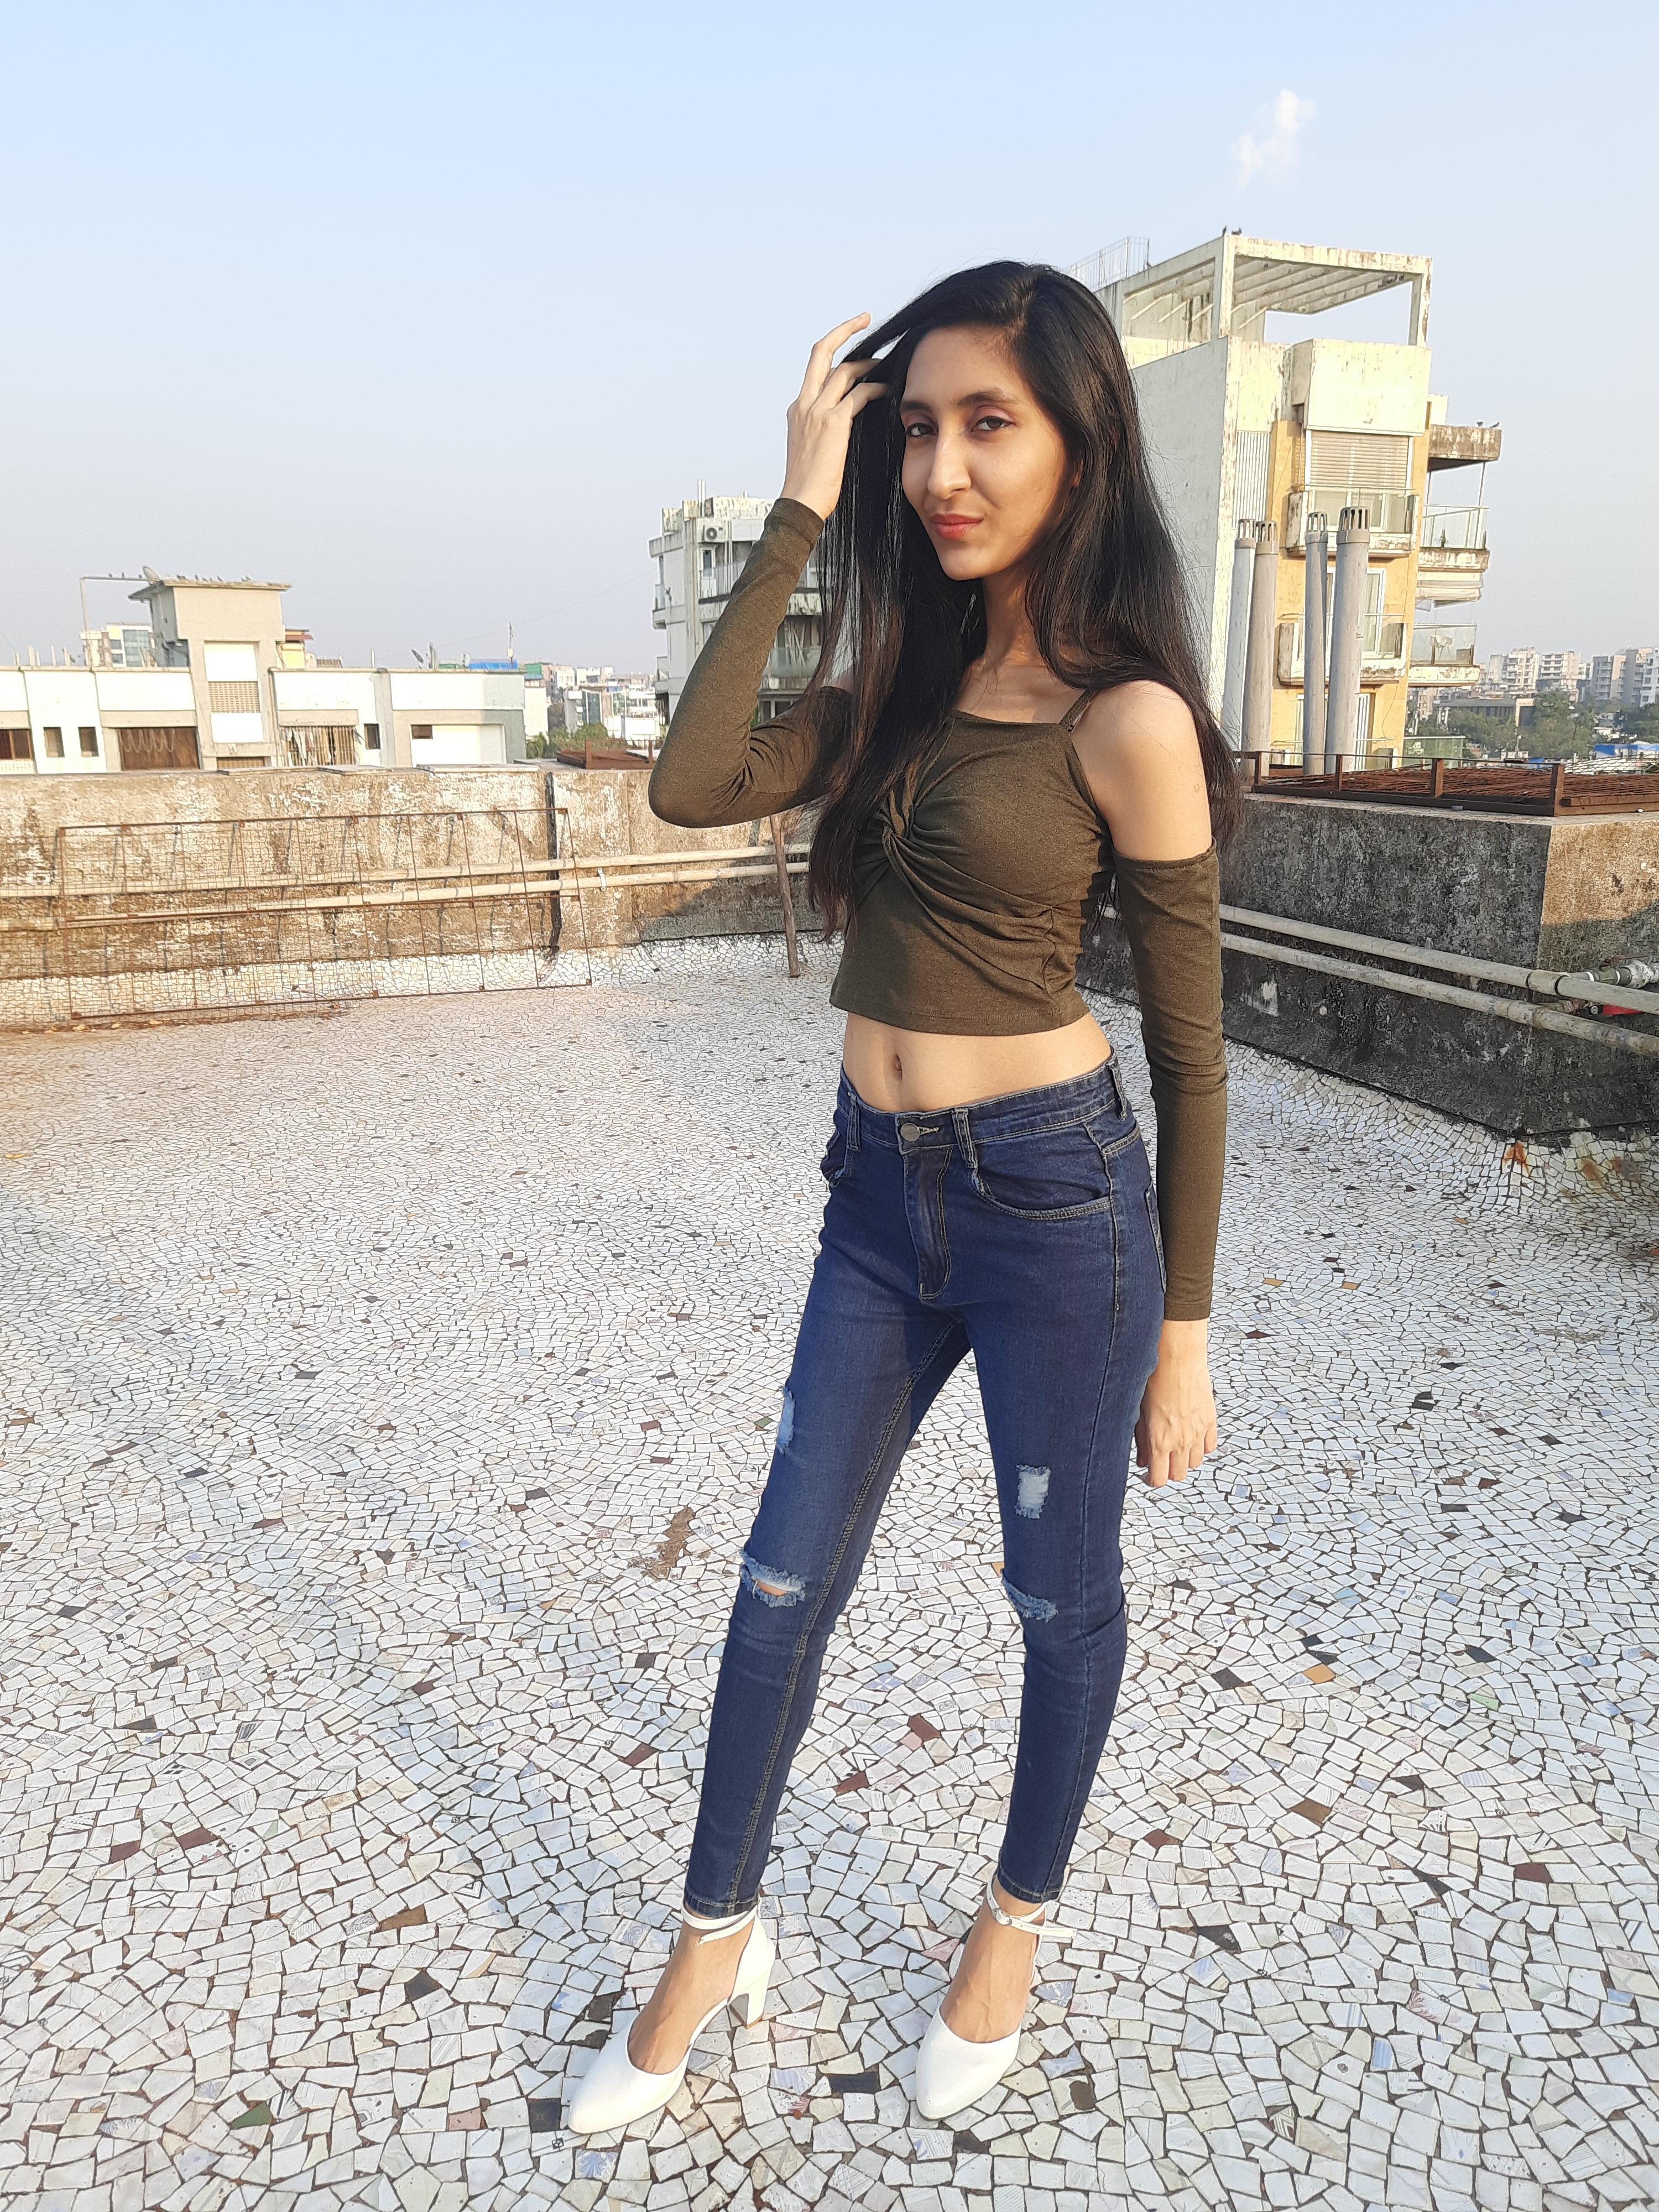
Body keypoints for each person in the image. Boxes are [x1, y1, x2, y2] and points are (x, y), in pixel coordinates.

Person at [568, 261, 1234, 2134]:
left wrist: (1185, 1336)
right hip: (875, 1198)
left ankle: (1012, 1926)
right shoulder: (888, 699)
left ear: (1080, 443)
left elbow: (1194, 1057)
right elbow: (691, 783)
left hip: (1056, 1212)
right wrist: (800, 499)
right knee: (779, 1581)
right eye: (918, 427)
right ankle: (716, 1934)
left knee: (1057, 1595)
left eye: (989, 424)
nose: (944, 468)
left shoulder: (1127, 722)